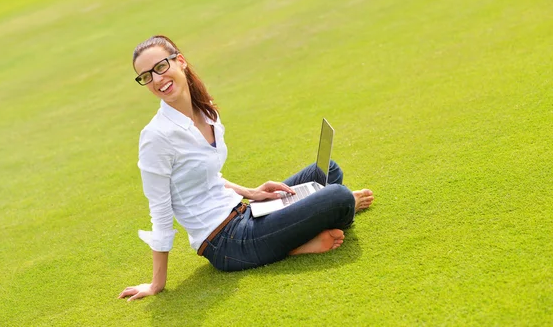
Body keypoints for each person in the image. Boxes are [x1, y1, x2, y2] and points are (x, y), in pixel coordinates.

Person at [118, 35, 374, 302]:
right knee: (340, 197)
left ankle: (296, 235)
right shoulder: (156, 136)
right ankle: (301, 240)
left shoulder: (206, 114)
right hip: (227, 241)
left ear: (179, 61)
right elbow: (159, 207)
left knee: (327, 171)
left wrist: (252, 193)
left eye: (160, 67)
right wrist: (156, 283)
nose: (157, 79)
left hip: (246, 211)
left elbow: (208, 177)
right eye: (146, 76)